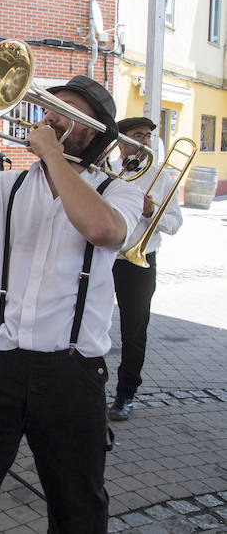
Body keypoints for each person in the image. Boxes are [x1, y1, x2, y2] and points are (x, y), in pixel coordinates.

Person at [0, 76, 143, 532]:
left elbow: (103, 231)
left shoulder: (119, 189)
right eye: (49, 106)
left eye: (68, 111)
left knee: (77, 508)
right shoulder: (8, 185)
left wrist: (52, 155)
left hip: (73, 372)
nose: (51, 115)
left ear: (97, 129)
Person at [108, 117, 182, 421]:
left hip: (140, 261)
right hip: (104, 257)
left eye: (149, 136)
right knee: (86, 321)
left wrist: (152, 213)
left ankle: (126, 393)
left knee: (134, 330)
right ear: (122, 142)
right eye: (138, 135)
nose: (146, 141)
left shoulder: (163, 176)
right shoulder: (107, 170)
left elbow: (175, 223)